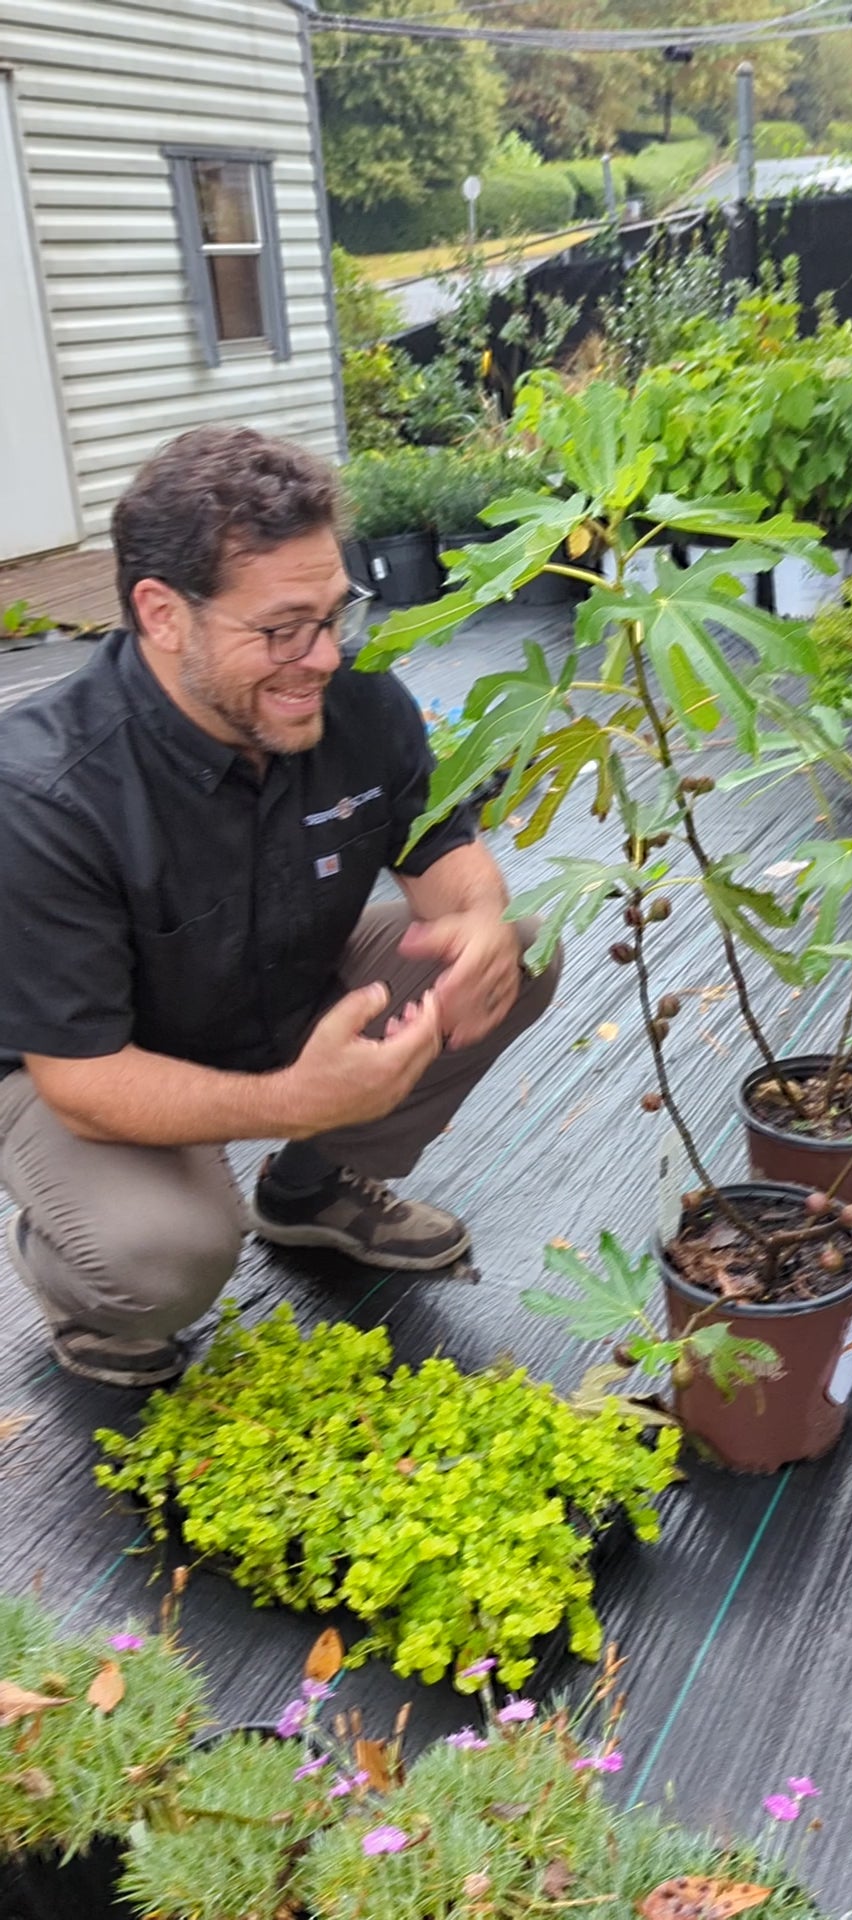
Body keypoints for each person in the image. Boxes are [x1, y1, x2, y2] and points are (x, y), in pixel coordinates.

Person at [0, 426, 561, 1388]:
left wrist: (476, 919)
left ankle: (307, 1189)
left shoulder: (354, 699)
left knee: (519, 949)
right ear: (162, 613)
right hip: (91, 1067)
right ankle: (82, 1279)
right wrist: (289, 1097)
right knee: (157, 1257)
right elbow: (85, 1082)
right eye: (282, 629)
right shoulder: (46, 791)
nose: (325, 656)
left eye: (336, 613)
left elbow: (445, 852)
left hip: (275, 979)